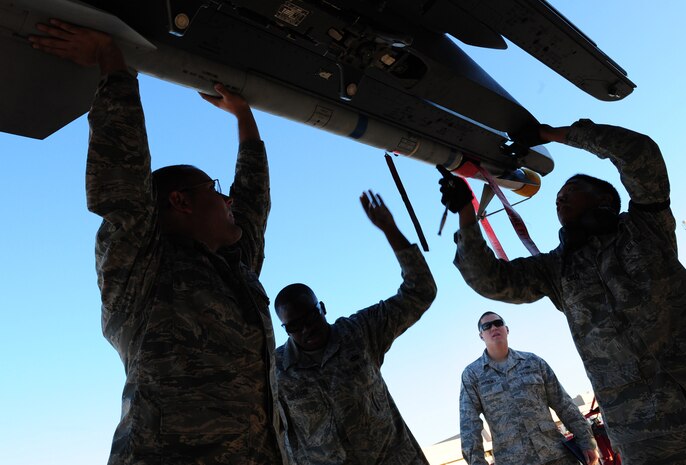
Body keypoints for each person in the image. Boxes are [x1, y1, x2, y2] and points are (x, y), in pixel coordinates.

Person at [29, 20, 286, 465]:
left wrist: (244, 117)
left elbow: (252, 204)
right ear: (180, 201)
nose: (227, 199)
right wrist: (113, 62)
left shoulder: (233, 269)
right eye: (215, 189)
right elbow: (124, 185)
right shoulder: (142, 272)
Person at [439, 119, 686, 464]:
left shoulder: (644, 226)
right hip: (647, 434)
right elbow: (488, 279)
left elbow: (639, 153)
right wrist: (466, 215)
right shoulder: (557, 270)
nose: (559, 200)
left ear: (606, 198)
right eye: (557, 199)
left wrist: (551, 134)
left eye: (570, 191)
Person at [274, 191, 437, 465]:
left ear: (322, 308)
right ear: (285, 329)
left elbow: (420, 291)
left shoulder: (359, 332)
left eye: (311, 317)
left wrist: (390, 230)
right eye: (294, 326)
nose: (305, 329)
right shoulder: (275, 371)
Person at [460, 311, 597, 465]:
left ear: (507, 329)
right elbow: (469, 424)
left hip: (557, 455)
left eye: (498, 323)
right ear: (481, 335)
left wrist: (586, 440)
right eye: (487, 326)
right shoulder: (472, 375)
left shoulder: (533, 362)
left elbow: (563, 403)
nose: (493, 328)